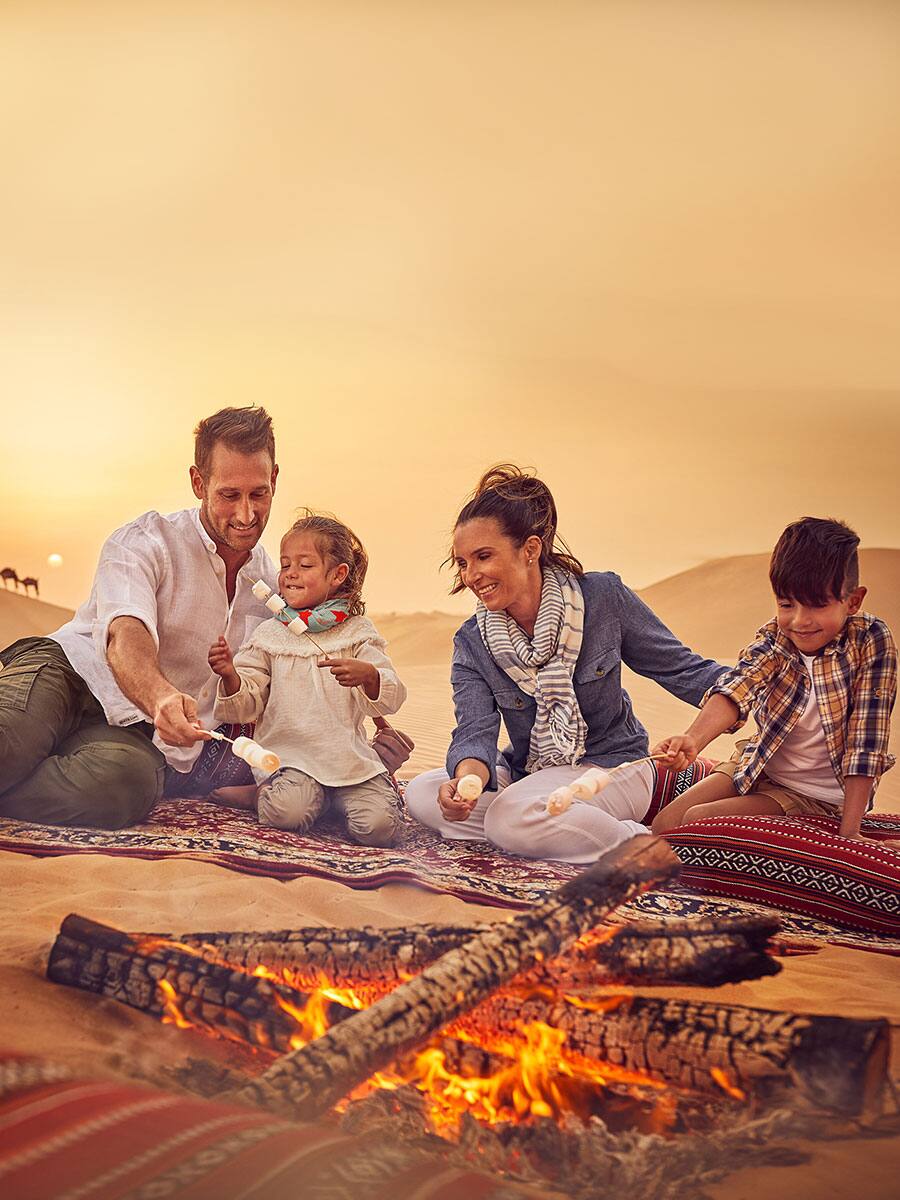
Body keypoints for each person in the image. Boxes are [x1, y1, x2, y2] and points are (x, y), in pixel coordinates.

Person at [404, 465, 726, 863]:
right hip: (529, 772)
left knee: (509, 818)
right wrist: (467, 781)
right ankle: (547, 828)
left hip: (613, 767)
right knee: (422, 794)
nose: (472, 575)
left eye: (483, 556)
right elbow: (474, 732)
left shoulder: (603, 598)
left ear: (530, 549)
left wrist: (757, 688)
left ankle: (640, 845)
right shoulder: (472, 641)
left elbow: (685, 670)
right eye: (463, 563)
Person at [0, 406, 281, 828]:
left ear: (274, 479)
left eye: (258, 494)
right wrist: (161, 697)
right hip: (68, 673)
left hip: (133, 730)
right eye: (229, 495)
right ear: (198, 482)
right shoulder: (146, 541)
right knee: (7, 745)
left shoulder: (275, 588)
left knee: (126, 786)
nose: (245, 515)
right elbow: (124, 632)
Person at [651, 518, 896, 841]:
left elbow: (866, 740)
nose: (800, 620)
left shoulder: (870, 641)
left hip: (816, 794)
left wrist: (850, 832)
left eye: (817, 605)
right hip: (758, 765)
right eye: (786, 604)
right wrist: (693, 740)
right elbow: (738, 687)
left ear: (853, 601)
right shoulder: (775, 637)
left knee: (698, 821)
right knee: (666, 823)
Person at [207, 511, 406, 847]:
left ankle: (334, 800)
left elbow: (391, 696)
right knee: (287, 814)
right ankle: (262, 794)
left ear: (337, 575)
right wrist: (230, 675)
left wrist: (370, 676)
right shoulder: (269, 635)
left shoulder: (358, 631)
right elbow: (246, 704)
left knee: (379, 829)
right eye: (285, 564)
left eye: (305, 565)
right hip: (293, 760)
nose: (290, 573)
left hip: (348, 761)